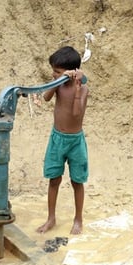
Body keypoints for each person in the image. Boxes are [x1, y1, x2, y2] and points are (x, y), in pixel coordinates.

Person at [35, 46, 89, 235]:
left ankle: (78, 219)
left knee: (77, 181)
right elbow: (46, 97)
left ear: (71, 72)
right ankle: (51, 218)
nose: (53, 74)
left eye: (57, 72)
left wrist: (76, 88)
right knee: (54, 179)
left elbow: (76, 113)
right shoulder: (58, 84)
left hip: (75, 141)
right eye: (54, 71)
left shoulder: (82, 89)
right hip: (57, 139)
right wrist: (56, 82)